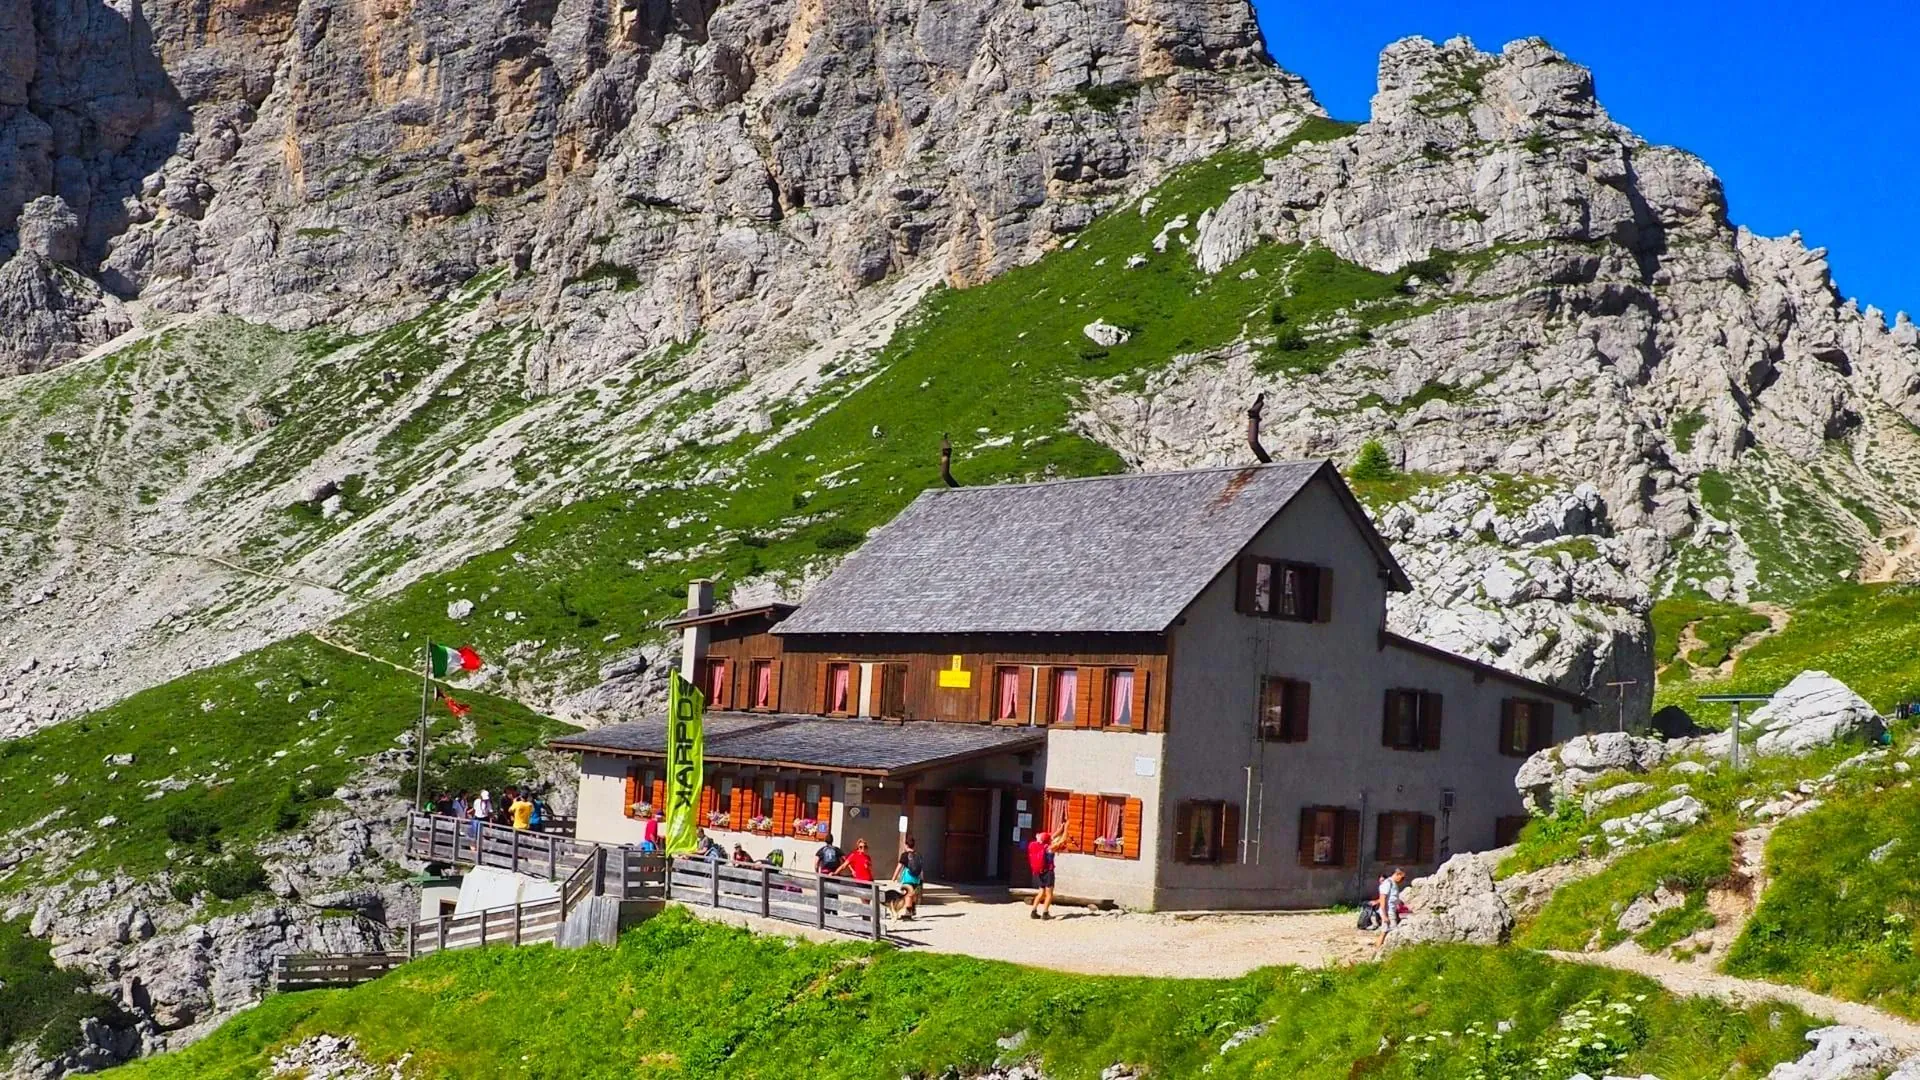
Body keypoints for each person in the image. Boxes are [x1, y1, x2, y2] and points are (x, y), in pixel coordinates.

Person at [1026, 830, 1067, 920]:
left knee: (1041, 892)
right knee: (1049, 894)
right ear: (1048, 840)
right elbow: (1062, 840)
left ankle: (1033, 911)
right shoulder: (1050, 848)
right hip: (1048, 872)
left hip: (1040, 872)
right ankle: (1045, 913)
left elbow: (1051, 836)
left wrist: (1061, 829)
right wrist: (1066, 829)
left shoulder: (1038, 845)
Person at [892, 835, 925, 920]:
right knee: (913, 894)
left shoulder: (905, 855)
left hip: (908, 877)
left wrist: (894, 877)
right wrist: (921, 879)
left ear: (906, 845)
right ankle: (912, 910)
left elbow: (899, 867)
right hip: (916, 878)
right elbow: (921, 868)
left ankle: (908, 913)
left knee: (907, 895)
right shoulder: (919, 855)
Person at [1376, 867, 1410, 947]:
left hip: (1392, 911)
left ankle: (1381, 948)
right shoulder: (1388, 883)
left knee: (1386, 932)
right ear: (1397, 874)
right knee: (1389, 931)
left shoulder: (1394, 884)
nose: (1402, 880)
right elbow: (1383, 899)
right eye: (1402, 878)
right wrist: (1384, 915)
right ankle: (1379, 949)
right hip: (1388, 912)